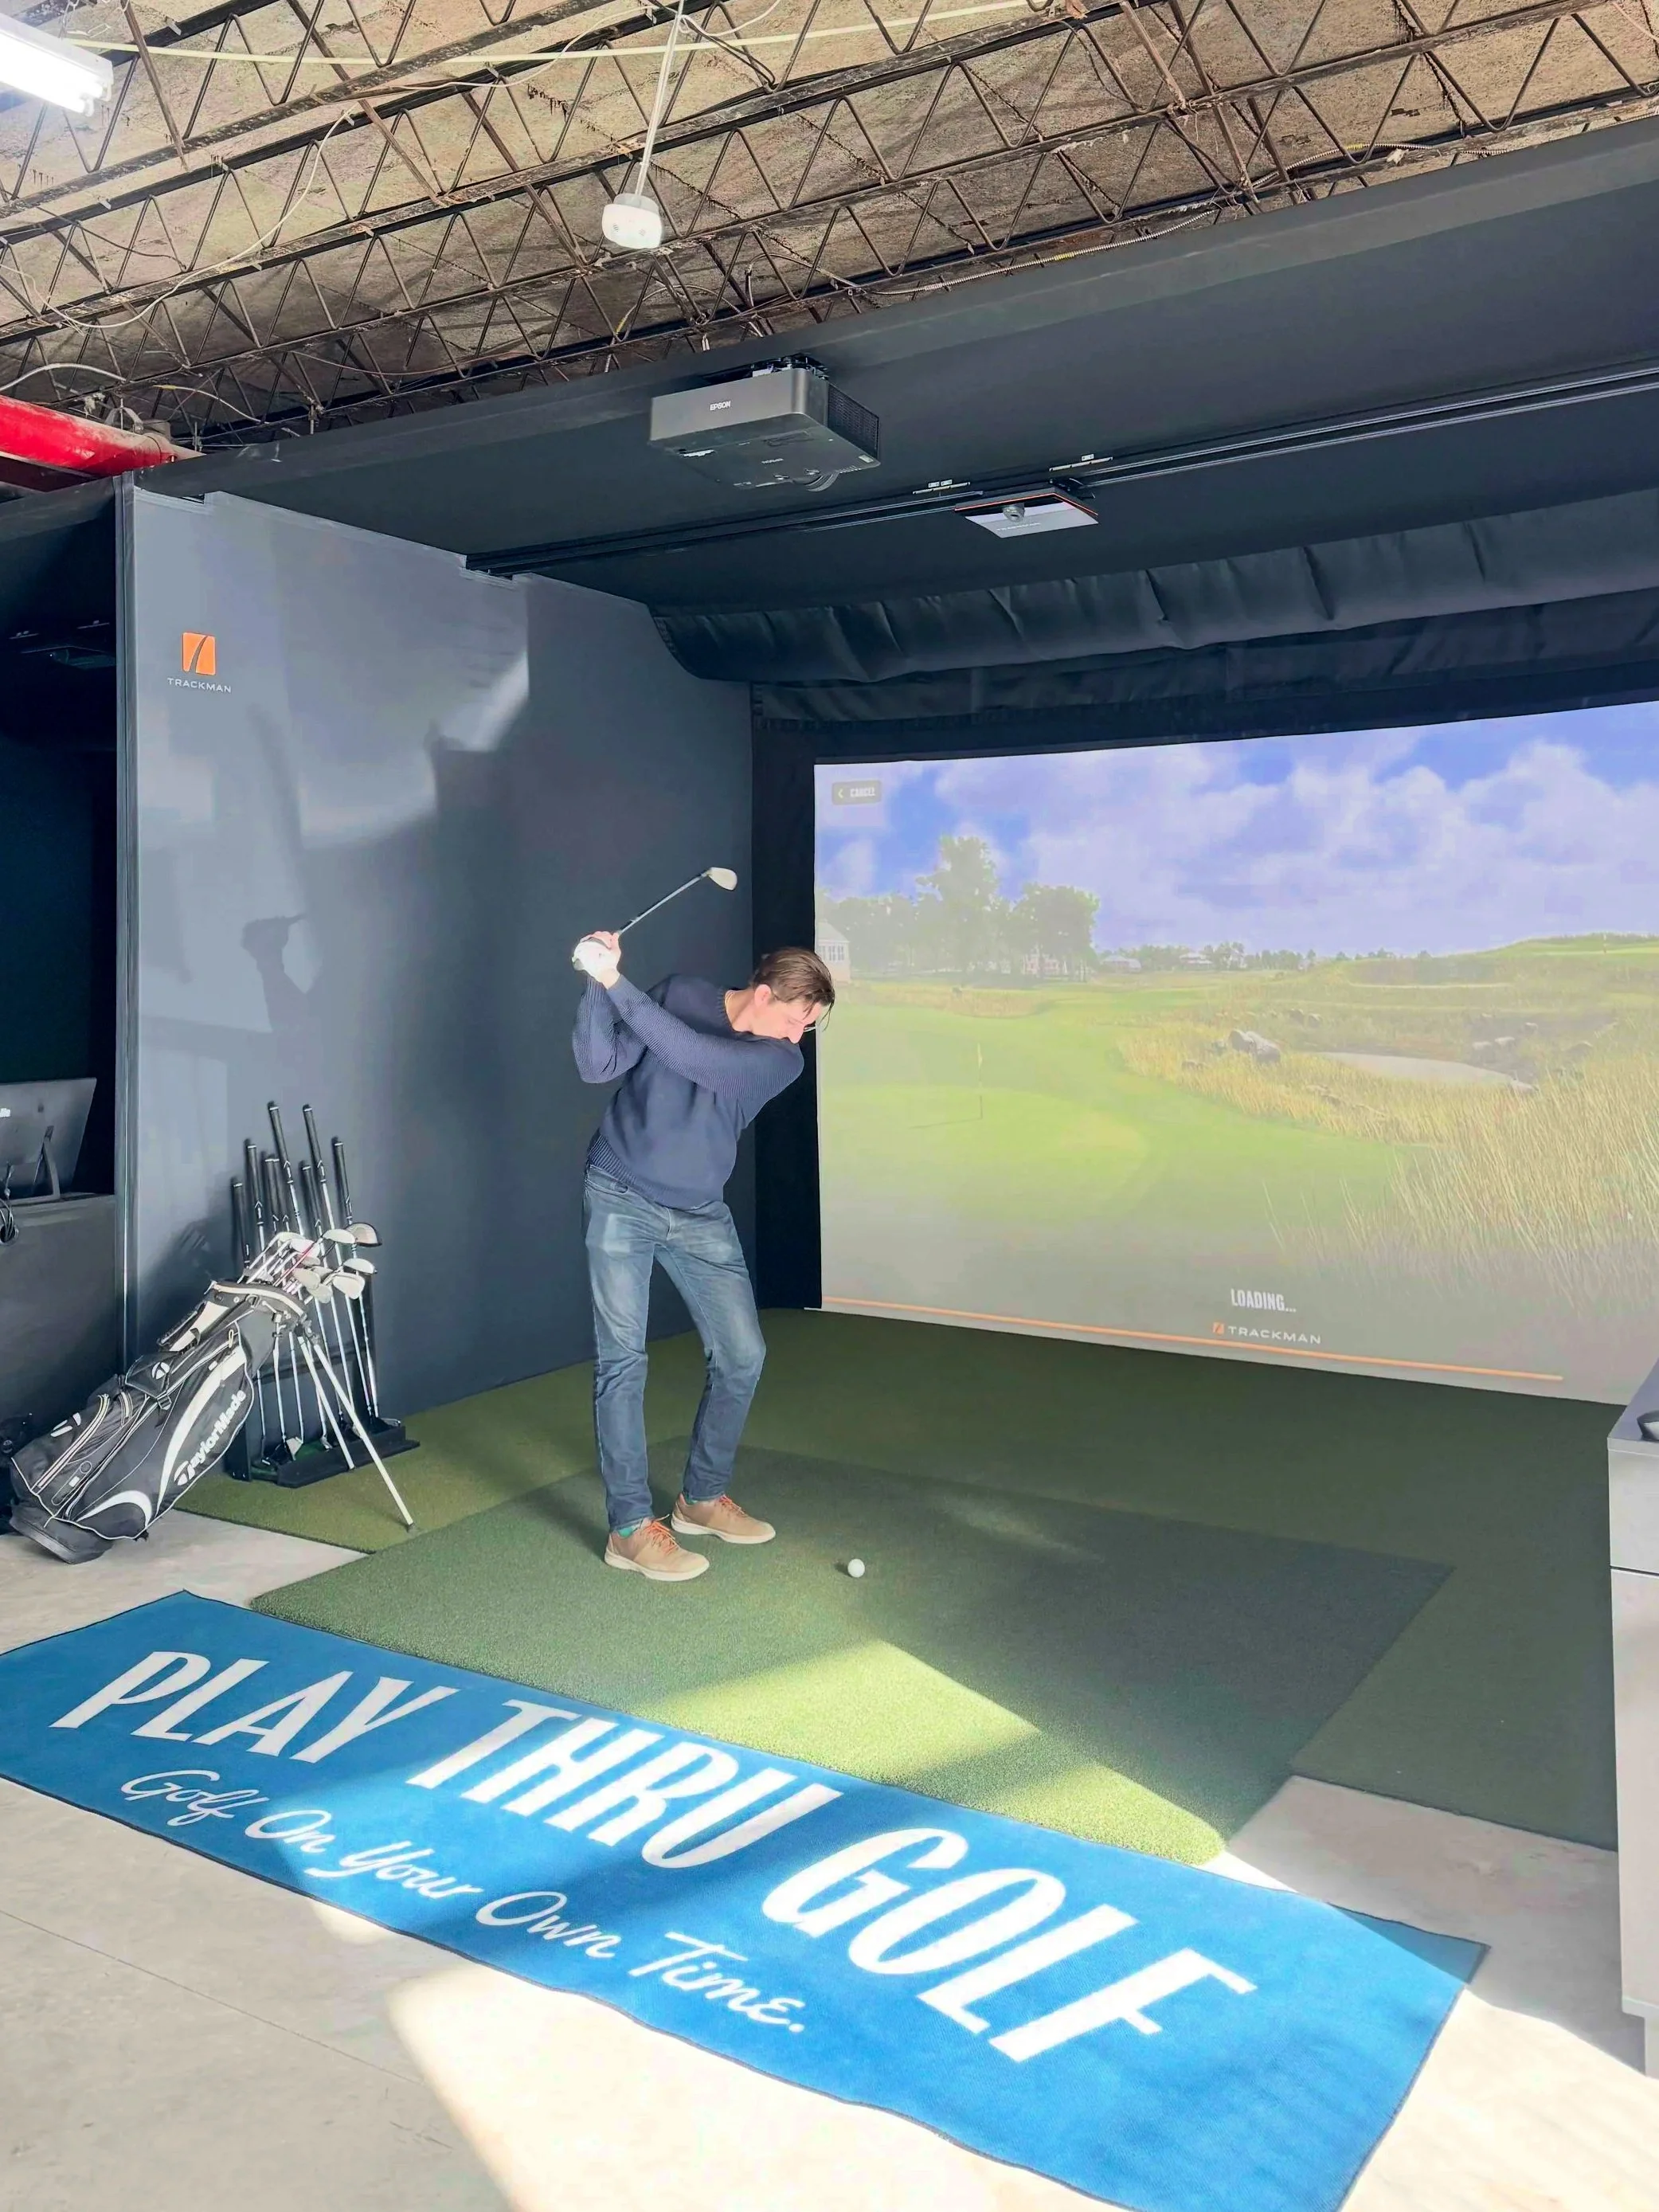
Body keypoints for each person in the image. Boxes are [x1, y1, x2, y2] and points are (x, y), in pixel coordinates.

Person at [571, 933, 833, 1582]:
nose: (799, 1037)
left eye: (811, 1027)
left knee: (742, 1354)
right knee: (621, 1359)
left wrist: (615, 982)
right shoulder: (680, 993)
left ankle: (700, 1498)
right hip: (619, 1192)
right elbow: (597, 1064)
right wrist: (593, 978)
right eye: (798, 1020)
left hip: (697, 1212)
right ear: (765, 993)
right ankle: (630, 1527)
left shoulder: (779, 1062)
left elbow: (694, 1057)